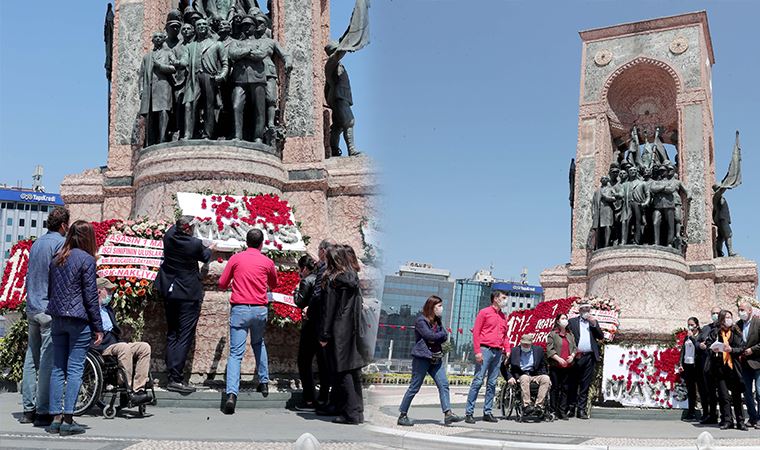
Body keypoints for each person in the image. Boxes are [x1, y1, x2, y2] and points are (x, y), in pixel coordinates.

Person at [46, 221, 104, 436]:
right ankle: (69, 418)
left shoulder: (58, 258)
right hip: (78, 321)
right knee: (75, 369)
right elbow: (90, 297)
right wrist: (98, 327)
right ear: (88, 238)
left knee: (57, 368)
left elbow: (52, 290)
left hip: (57, 318)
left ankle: (55, 419)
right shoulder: (87, 260)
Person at [218, 229, 278, 414]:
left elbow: (222, 282)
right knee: (259, 343)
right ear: (261, 244)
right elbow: (274, 284)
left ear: (246, 241)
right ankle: (264, 382)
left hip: (240, 309)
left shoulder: (236, 259)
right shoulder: (267, 262)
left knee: (236, 353)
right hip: (259, 309)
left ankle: (231, 395)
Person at [19, 207, 69, 426]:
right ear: (64, 225)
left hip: (32, 306)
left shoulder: (37, 243)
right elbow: (59, 277)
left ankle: (27, 409)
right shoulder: (60, 243)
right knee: (48, 360)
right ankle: (42, 410)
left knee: (31, 357)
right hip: (48, 309)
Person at [155, 216, 212, 394]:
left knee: (173, 332)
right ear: (187, 230)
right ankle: (176, 378)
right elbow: (205, 255)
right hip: (187, 293)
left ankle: (171, 373)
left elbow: (175, 227)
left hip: (170, 291)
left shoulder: (169, 236)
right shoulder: (194, 244)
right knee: (184, 335)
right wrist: (210, 246)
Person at [397, 296, 463, 427]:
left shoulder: (437, 321)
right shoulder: (421, 321)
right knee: (414, 387)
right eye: (438, 306)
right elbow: (429, 336)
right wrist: (437, 337)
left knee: (444, 384)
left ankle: (448, 414)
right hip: (422, 358)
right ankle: (402, 415)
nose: (441, 308)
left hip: (436, 358)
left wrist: (436, 338)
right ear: (431, 307)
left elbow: (443, 336)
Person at [319, 246, 366, 424]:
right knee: (353, 372)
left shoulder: (334, 280)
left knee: (341, 372)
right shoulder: (353, 278)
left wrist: (324, 334)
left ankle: (351, 414)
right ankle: (357, 411)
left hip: (338, 331)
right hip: (352, 329)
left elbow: (329, 310)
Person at [90, 278, 152, 406]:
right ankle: (127, 387)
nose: (110, 294)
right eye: (108, 291)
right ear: (99, 291)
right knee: (124, 348)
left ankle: (138, 389)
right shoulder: (90, 309)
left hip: (114, 343)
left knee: (144, 347)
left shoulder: (107, 309)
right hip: (101, 346)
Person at [463, 290, 508, 424]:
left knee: (492, 383)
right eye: (503, 297)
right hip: (485, 349)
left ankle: (487, 412)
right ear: (495, 298)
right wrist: (477, 351)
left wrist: (508, 349)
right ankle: (469, 413)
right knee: (478, 381)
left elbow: (505, 335)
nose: (506, 300)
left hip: (498, 351)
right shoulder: (484, 312)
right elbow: (476, 332)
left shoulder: (503, 316)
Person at [705, 310, 747, 430]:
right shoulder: (715, 333)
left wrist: (732, 350)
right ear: (721, 319)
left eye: (730, 317)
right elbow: (708, 346)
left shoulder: (736, 331)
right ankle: (727, 420)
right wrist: (713, 350)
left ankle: (740, 421)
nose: (729, 319)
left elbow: (742, 347)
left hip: (733, 368)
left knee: (737, 396)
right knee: (724, 397)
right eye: (726, 317)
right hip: (720, 368)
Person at [294, 254, 326, 411]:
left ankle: (308, 399)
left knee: (304, 362)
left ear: (304, 268)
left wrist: (295, 291)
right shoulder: (320, 279)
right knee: (321, 362)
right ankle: (322, 398)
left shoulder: (306, 281)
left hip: (310, 326)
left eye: (300, 269)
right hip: (321, 327)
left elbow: (300, 301)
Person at [567, 302, 604, 419]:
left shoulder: (593, 321)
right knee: (573, 383)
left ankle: (581, 410)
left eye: (588, 309)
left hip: (589, 356)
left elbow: (600, 336)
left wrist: (594, 324)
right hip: (576, 356)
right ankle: (571, 407)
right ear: (579, 310)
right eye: (584, 309)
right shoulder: (572, 322)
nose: (586, 311)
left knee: (585, 384)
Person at [313, 239, 336, 415]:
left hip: (323, 322)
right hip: (332, 324)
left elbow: (318, 295)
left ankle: (324, 399)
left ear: (323, 251)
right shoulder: (333, 268)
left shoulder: (326, 269)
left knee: (325, 363)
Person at [503, 333, 552, 419]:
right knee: (524, 378)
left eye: (527, 344)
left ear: (531, 343)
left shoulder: (538, 350)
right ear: (521, 343)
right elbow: (504, 366)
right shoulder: (514, 351)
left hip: (534, 374)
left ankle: (539, 406)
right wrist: (510, 377)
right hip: (521, 375)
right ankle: (527, 405)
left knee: (546, 379)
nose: (525, 346)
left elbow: (543, 365)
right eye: (524, 344)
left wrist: (545, 374)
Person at [546, 313, 576, 420]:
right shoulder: (553, 334)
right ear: (558, 321)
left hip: (568, 366)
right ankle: (553, 410)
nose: (565, 320)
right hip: (556, 366)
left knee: (565, 388)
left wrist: (572, 356)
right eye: (563, 318)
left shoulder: (570, 334)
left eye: (566, 318)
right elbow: (550, 349)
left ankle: (562, 410)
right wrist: (559, 359)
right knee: (555, 388)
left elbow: (574, 348)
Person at [679, 317, 709, 421]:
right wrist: (680, 363)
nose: (690, 326)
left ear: (697, 325)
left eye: (692, 324)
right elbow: (683, 349)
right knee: (691, 390)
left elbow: (699, 347)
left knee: (702, 390)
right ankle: (690, 412)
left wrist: (692, 338)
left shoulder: (700, 335)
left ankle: (705, 413)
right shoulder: (687, 337)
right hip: (688, 365)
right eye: (688, 324)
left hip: (698, 366)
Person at [737, 301, 760, 428]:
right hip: (744, 364)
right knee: (747, 393)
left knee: (759, 391)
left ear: (750, 310)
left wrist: (753, 349)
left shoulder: (758, 322)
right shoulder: (738, 325)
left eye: (742, 310)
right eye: (739, 310)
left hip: (758, 363)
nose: (740, 312)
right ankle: (753, 417)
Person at [698, 306, 722, 424]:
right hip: (708, 364)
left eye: (717, 313)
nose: (715, 315)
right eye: (713, 313)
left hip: (721, 364)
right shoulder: (706, 328)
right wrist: (701, 345)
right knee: (709, 392)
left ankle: (726, 417)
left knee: (723, 392)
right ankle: (711, 415)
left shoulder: (724, 328)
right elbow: (698, 341)